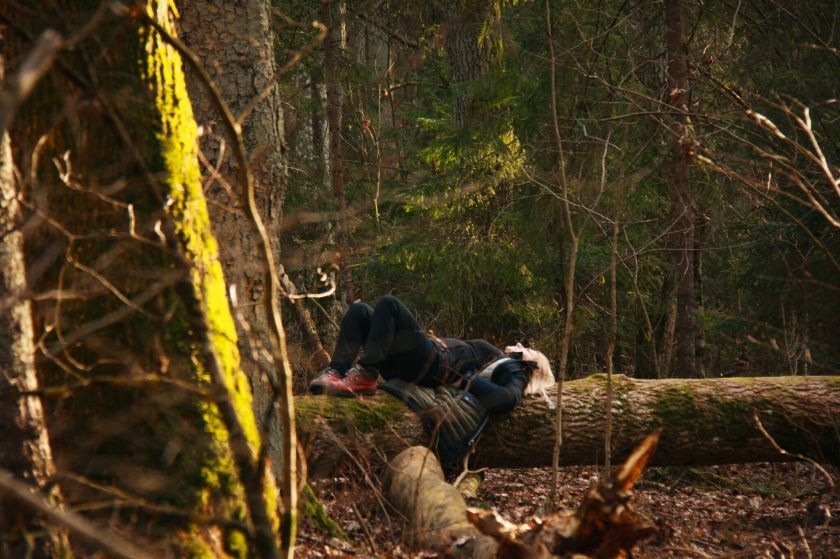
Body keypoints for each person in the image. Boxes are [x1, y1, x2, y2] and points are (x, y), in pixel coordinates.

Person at [309, 295, 554, 413]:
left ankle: (366, 374)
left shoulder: (518, 369)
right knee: (360, 311)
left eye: (528, 349)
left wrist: (465, 382)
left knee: (390, 305)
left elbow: (506, 399)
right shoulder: (504, 360)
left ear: (532, 363)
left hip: (433, 365)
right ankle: (336, 372)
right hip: (417, 360)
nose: (521, 345)